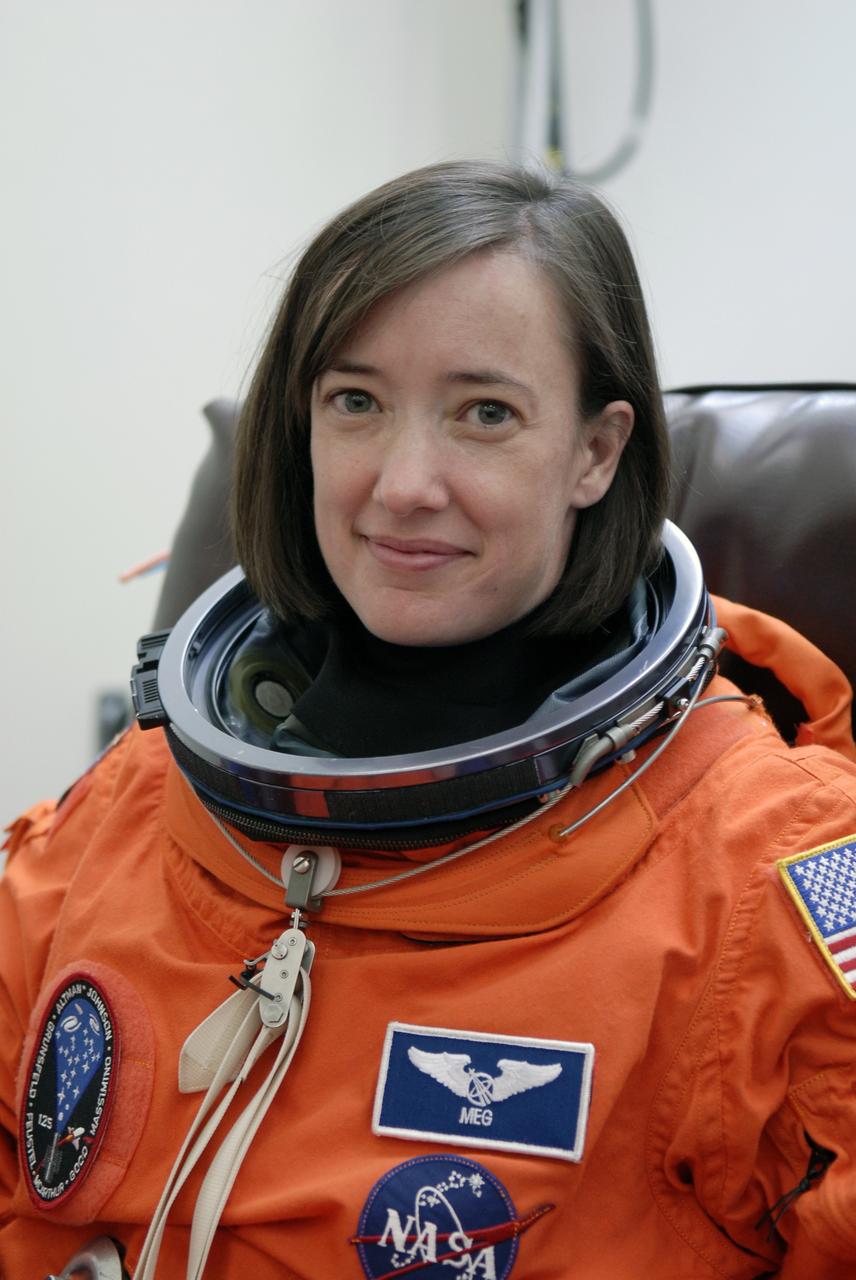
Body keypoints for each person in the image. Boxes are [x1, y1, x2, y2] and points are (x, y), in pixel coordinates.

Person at [2, 161, 855, 1280]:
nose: (404, 483)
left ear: (596, 452)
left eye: (483, 413)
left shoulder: (771, 881)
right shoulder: (128, 803)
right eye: (355, 401)